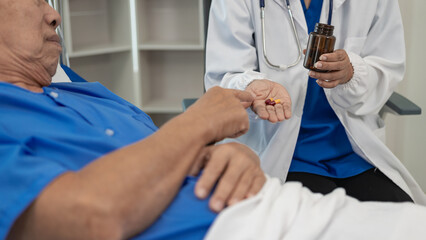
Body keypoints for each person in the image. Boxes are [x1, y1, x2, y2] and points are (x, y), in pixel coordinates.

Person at [2, 1, 426, 240]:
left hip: (304, 177)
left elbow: (387, 67)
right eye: (36, 1)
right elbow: (89, 215)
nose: (54, 14)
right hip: (273, 179)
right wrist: (207, 120)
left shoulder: (89, 95)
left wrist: (220, 158)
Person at [205, 0, 426, 203]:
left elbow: (387, 67)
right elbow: (225, 74)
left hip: (355, 152)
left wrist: (353, 73)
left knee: (404, 221)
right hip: (281, 153)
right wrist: (251, 87)